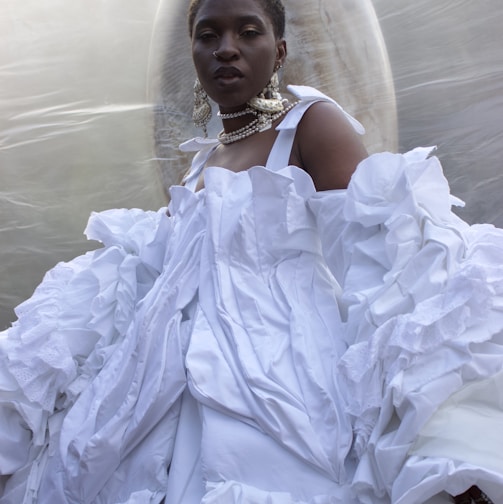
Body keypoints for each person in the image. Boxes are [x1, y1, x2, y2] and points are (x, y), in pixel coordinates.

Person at [1, 0, 502, 502]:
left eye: (247, 32)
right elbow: (150, 278)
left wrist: (425, 423)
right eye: (207, 36)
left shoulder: (311, 124)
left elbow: (381, 256)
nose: (226, 50)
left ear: (279, 50)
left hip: (288, 382)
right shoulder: (201, 164)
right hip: (172, 383)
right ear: (193, 51)